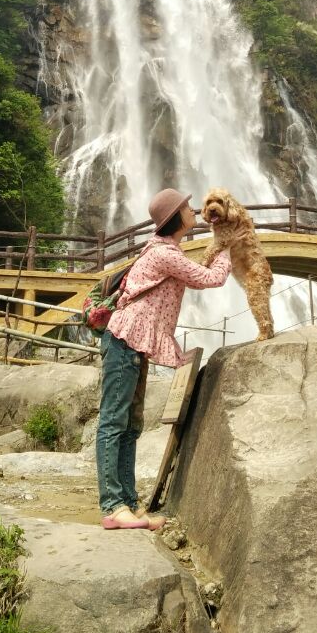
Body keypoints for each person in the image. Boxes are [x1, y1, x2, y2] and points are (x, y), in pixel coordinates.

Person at [96, 187, 233, 530]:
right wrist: (231, 246)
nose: (194, 210)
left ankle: (129, 504)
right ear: (176, 216)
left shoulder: (167, 249)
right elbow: (210, 278)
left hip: (134, 344)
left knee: (130, 425)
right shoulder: (164, 254)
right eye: (187, 206)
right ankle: (112, 506)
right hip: (125, 340)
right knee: (114, 421)